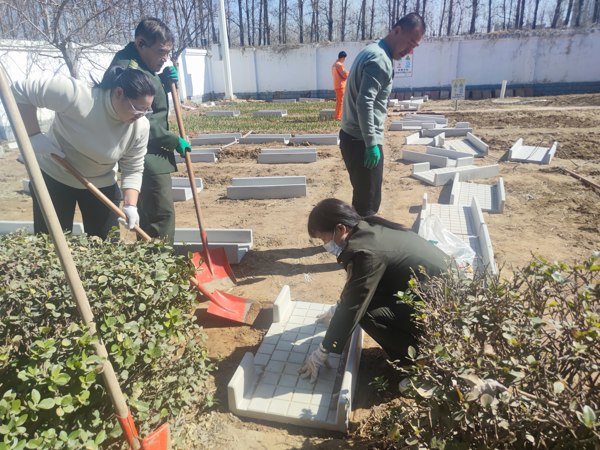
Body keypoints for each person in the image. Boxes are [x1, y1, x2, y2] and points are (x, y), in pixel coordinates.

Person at [299, 198, 448, 383]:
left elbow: (354, 305)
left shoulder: (366, 253)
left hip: (443, 310)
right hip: (435, 294)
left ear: (341, 229)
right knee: (369, 300)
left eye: (324, 239)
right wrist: (336, 309)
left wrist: (323, 351)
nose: (325, 245)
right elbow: (360, 287)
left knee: (366, 314)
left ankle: (420, 362)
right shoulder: (368, 228)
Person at [13, 67, 155, 239]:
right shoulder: (78, 95)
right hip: (55, 176)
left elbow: (133, 167)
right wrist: (33, 135)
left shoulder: (140, 127)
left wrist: (131, 205)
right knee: (51, 242)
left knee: (106, 244)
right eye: (138, 108)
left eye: (147, 109)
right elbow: (20, 90)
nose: (141, 115)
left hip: (101, 183)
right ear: (119, 93)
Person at [104, 17, 191, 244]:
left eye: (168, 53)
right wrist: (173, 140)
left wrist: (161, 81)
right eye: (161, 52)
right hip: (145, 153)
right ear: (140, 43)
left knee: (155, 212)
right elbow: (138, 116)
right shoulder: (126, 68)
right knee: (159, 215)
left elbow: (146, 94)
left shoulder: (140, 63)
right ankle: (160, 262)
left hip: (151, 149)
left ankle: (154, 259)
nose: (165, 59)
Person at [340, 13, 425, 217]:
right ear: (397, 30)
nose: (410, 50)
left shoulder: (372, 50)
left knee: (362, 199)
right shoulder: (380, 60)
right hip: (362, 141)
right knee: (367, 207)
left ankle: (358, 232)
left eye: (415, 46)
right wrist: (371, 144)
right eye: (410, 42)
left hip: (353, 137)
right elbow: (365, 102)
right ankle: (361, 237)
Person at [331, 51, 349, 121]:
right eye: (344, 58)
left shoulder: (334, 64)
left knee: (339, 101)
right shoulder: (340, 65)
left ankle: (338, 115)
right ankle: (338, 117)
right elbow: (344, 75)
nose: (344, 60)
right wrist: (349, 73)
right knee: (341, 102)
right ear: (343, 58)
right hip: (341, 85)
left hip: (336, 85)